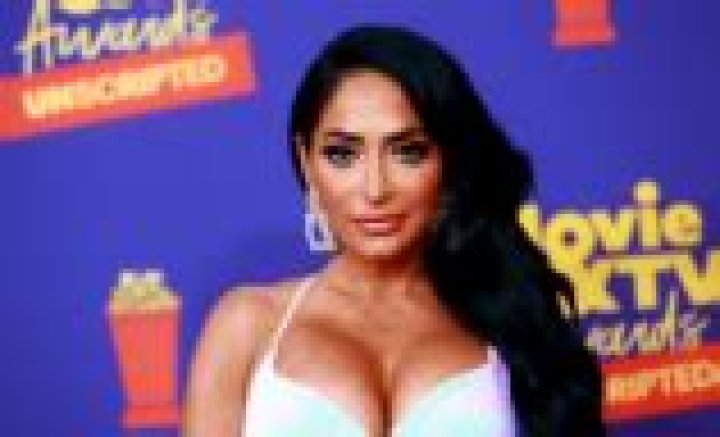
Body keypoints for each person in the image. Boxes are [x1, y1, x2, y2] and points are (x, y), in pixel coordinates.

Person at [183, 24, 605, 436]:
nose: (375, 189)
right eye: (342, 154)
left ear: (450, 163)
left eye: (408, 152)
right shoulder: (247, 324)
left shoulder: (510, 326)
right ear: (306, 161)